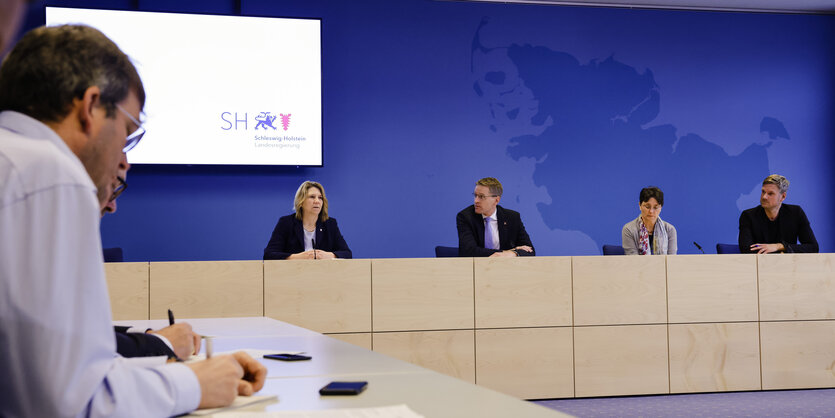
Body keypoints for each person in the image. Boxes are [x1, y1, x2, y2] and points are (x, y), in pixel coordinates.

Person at [0, 25, 265, 416]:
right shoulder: (51, 174)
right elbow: (72, 401)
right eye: (127, 132)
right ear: (91, 107)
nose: (123, 157)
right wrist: (196, 383)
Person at [264, 180, 352, 259]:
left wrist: (329, 255)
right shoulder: (286, 223)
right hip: (294, 273)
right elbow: (269, 254)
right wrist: (297, 257)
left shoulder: (330, 224)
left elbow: (347, 253)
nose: (317, 201)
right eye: (312, 197)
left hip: (323, 273)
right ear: (301, 201)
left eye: (320, 197)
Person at [738, 174, 818, 254]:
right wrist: (780, 253)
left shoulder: (796, 213)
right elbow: (746, 250)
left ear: (782, 197)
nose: (764, 197)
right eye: (763, 192)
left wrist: (779, 246)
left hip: (788, 264)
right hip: (759, 264)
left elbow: (813, 247)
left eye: (770, 194)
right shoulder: (748, 216)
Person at [457, 177, 535, 257]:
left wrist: (514, 254)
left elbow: (530, 250)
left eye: (481, 197)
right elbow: (468, 251)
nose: (476, 201)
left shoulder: (512, 217)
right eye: (475, 195)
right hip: (476, 267)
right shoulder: (466, 217)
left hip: (507, 267)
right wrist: (507, 252)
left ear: (496, 200)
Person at [622, 186, 677, 255]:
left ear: (661, 208)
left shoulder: (669, 230)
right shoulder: (629, 229)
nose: (651, 211)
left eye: (655, 207)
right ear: (640, 205)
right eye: (647, 207)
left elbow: (671, 261)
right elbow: (633, 261)